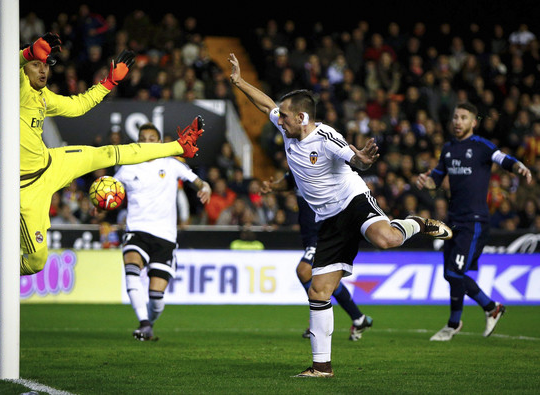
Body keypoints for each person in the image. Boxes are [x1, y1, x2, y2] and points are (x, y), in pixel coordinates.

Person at [228, 52, 452, 378]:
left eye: (286, 118)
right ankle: (322, 368)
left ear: (302, 117)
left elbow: (355, 159)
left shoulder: (326, 137)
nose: (280, 121)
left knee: (387, 239)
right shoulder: (285, 122)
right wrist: (239, 82)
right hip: (328, 220)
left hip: (353, 201)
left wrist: (362, 158)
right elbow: (266, 105)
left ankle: (416, 222)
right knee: (319, 291)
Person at [0, 32, 205, 316]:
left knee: (106, 153)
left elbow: (78, 106)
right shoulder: (13, 89)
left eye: (47, 65)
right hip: (23, 189)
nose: (43, 70)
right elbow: (7, 63)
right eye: (36, 65)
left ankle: (179, 145)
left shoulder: (43, 97)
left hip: (50, 164)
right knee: (36, 262)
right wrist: (28, 52)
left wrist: (109, 82)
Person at [415, 102, 532, 341]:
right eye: (455, 117)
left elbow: (503, 158)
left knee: (455, 273)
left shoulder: (481, 146)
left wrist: (519, 166)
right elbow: (435, 179)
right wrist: (424, 180)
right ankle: (477, 314)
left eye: (463, 117)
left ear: (473, 122)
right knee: (450, 275)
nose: (458, 121)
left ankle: (469, 316)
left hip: (474, 221)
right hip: (452, 221)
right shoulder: (447, 149)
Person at [114, 123, 211, 341]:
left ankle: (149, 322)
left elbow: (197, 182)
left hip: (165, 236)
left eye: (151, 138)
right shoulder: (127, 167)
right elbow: (109, 189)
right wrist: (98, 201)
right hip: (137, 230)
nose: (146, 142)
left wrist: (205, 188)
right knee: (131, 271)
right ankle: (144, 323)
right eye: (142, 138)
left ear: (159, 142)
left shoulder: (171, 164)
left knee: (156, 298)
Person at [261, 171, 373, 341]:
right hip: (310, 236)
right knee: (329, 283)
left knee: (303, 271)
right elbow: (288, 181)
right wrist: (273, 186)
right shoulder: (298, 166)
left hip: (324, 235)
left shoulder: (324, 166)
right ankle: (359, 318)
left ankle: (318, 321)